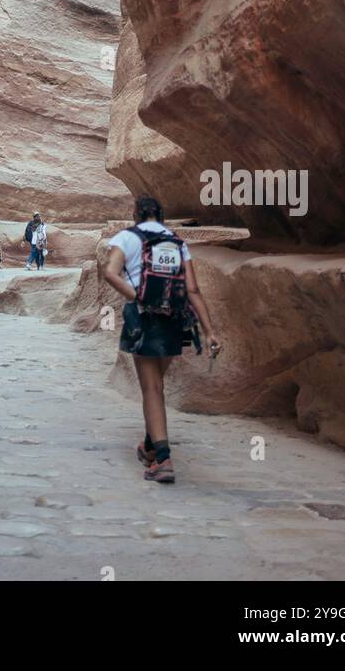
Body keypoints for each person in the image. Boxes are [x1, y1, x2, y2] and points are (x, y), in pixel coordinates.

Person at [103, 195, 221, 484]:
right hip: (174, 319)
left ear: (136, 214)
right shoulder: (178, 242)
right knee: (157, 386)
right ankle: (149, 446)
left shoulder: (127, 237)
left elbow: (110, 272)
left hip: (142, 318)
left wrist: (138, 296)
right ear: (162, 215)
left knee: (152, 388)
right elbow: (192, 289)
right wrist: (210, 331)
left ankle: (164, 458)